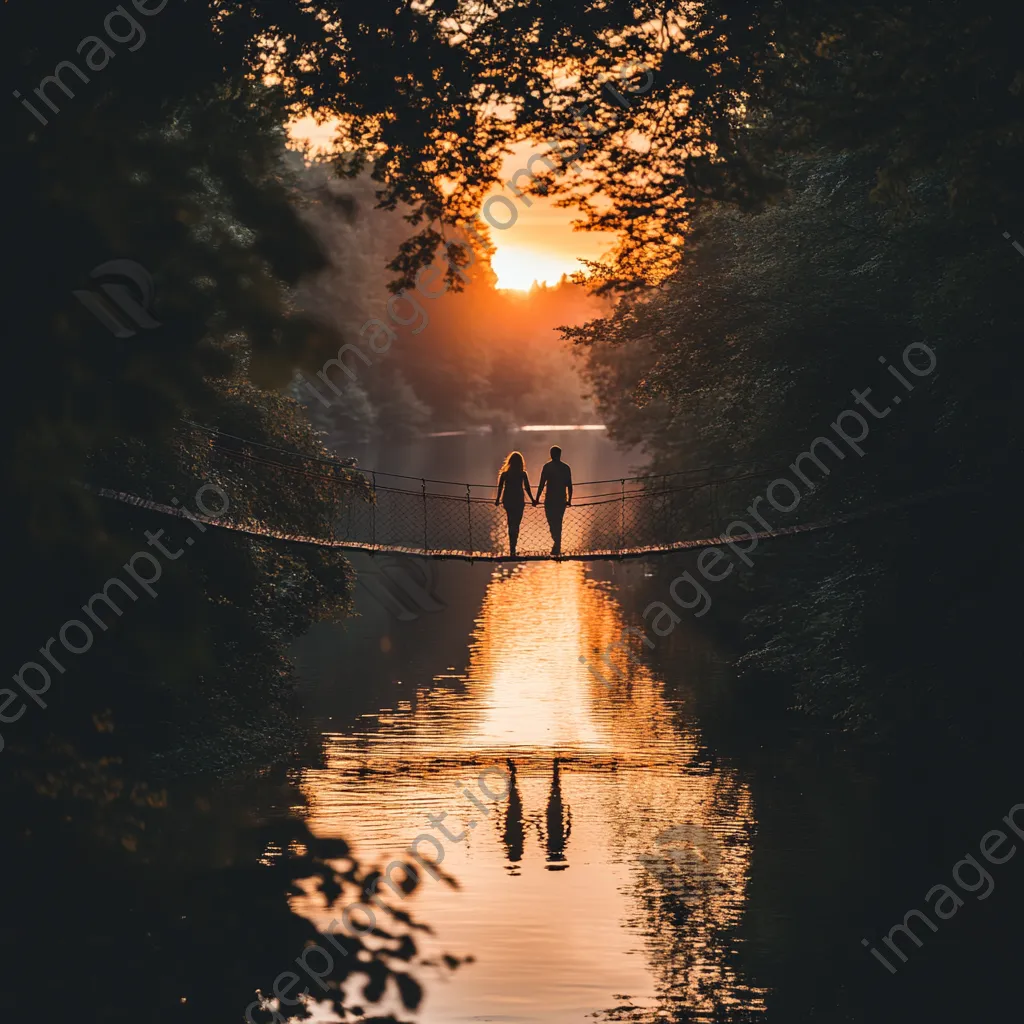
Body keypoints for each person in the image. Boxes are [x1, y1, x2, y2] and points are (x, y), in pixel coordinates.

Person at [534, 445, 572, 556]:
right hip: (559, 499)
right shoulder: (564, 467)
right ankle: (557, 543)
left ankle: (557, 543)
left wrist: (537, 498)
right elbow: (569, 485)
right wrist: (569, 499)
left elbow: (541, 484)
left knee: (552, 522)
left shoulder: (548, 467)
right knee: (557, 522)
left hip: (551, 500)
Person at [494, 450, 534, 557]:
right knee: (516, 524)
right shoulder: (522, 474)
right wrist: (533, 500)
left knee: (510, 522)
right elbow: (527, 488)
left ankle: (512, 546)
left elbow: (500, 488)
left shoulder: (505, 474)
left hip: (508, 500)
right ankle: (513, 546)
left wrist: (497, 499)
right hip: (518, 500)